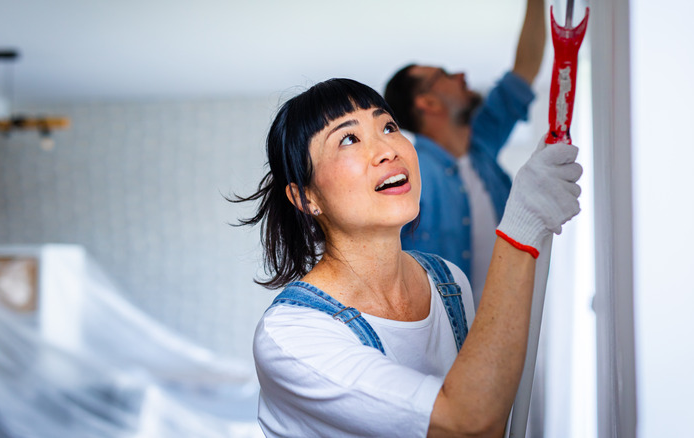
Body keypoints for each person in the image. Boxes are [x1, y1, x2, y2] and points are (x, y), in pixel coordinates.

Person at [233, 77, 581, 437]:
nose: (387, 150)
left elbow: (488, 405)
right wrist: (521, 226)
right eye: (348, 139)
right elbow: (466, 423)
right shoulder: (292, 336)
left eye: (388, 126)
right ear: (306, 198)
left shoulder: (448, 282)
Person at [384, 0, 546, 307]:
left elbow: (524, 70)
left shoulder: (481, 144)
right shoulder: (408, 175)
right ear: (428, 103)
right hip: (447, 333)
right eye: (444, 75)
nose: (460, 74)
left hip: (507, 322)